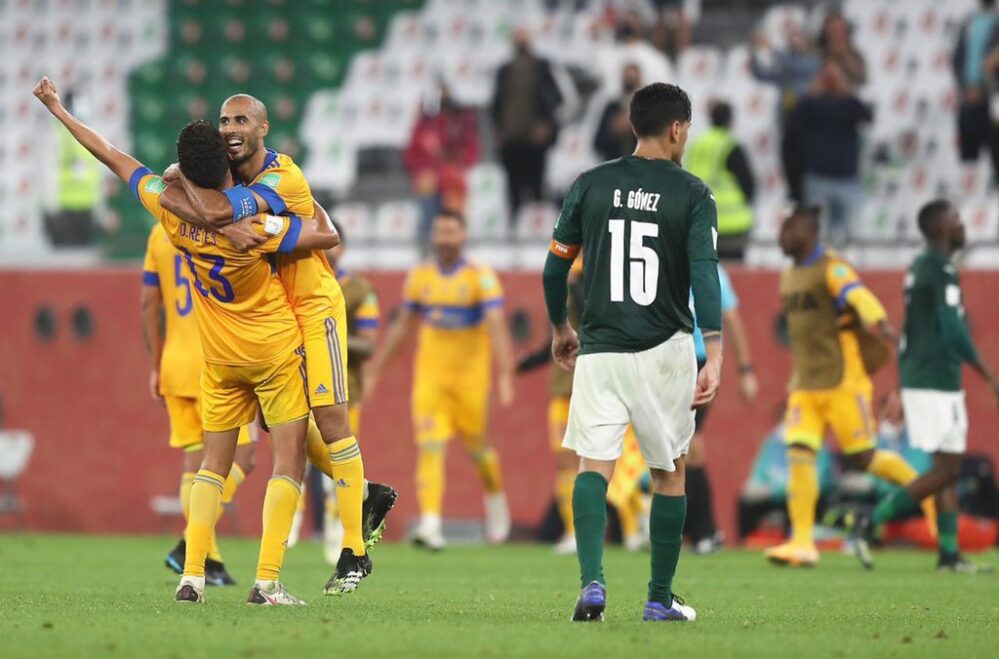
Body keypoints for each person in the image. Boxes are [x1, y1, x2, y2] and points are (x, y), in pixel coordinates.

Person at [34, 77, 339, 605]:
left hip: (216, 358)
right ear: (227, 159)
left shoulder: (166, 213)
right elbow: (323, 234)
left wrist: (58, 111)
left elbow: (111, 154)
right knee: (287, 462)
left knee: (209, 468)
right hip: (270, 351)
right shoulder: (251, 225)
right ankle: (267, 582)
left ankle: (192, 576)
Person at [158, 94, 397, 596]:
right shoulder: (232, 177)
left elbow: (326, 232)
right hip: (277, 318)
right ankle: (367, 492)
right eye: (223, 121)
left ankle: (353, 550)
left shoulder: (281, 176)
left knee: (329, 418)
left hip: (314, 308)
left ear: (264, 127)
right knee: (278, 424)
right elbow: (209, 204)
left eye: (240, 119)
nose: (230, 128)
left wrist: (181, 185)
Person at [544, 82, 722, 623]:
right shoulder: (693, 193)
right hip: (664, 348)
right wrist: (711, 349)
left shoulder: (591, 184)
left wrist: (559, 327)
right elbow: (704, 275)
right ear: (677, 128)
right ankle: (658, 598)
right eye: (686, 129)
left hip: (598, 350)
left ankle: (592, 584)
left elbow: (555, 267)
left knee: (592, 466)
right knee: (669, 473)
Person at [765, 206, 935, 568]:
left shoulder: (831, 267)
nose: (781, 236)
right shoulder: (788, 274)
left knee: (865, 459)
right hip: (805, 384)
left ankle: (928, 492)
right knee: (799, 455)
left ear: (808, 232)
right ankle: (802, 543)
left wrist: (880, 323)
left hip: (844, 382)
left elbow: (858, 295)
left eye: (789, 229)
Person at [851, 200, 999, 572]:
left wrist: (904, 384)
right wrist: (986, 371)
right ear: (940, 228)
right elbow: (953, 328)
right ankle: (872, 520)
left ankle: (949, 554)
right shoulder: (940, 268)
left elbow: (912, 333)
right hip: (935, 381)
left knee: (946, 464)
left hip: (929, 378)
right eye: (956, 220)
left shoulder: (921, 267)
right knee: (947, 470)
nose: (962, 226)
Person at [369, 210, 515, 550]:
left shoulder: (480, 277)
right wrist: (377, 367)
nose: (445, 239)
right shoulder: (420, 277)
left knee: (479, 450)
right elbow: (402, 326)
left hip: (470, 381)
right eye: (440, 232)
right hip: (431, 379)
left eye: (451, 232)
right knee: (430, 447)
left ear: (462, 237)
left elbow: (496, 325)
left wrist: (506, 372)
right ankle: (431, 524)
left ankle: (495, 500)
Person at [141, 221, 258, 587]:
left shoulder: (160, 232)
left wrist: (156, 364)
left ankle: (210, 559)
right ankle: (192, 543)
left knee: (195, 465)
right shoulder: (220, 224)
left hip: (174, 364)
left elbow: (148, 303)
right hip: (217, 360)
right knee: (244, 456)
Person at [318, 220, 393, 563]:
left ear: (342, 247)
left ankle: (340, 532)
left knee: (340, 460)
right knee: (297, 459)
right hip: (298, 383)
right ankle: (288, 532)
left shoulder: (360, 289)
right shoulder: (297, 278)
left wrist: (326, 335)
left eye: (332, 244)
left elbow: (367, 344)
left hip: (343, 388)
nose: (326, 251)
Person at [685, 263, 758, 553]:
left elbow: (732, 320)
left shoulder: (712, 270)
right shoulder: (667, 258)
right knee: (682, 446)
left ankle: (705, 530)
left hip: (702, 362)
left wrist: (746, 369)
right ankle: (700, 530)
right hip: (670, 361)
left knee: (691, 442)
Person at [795, 62, 873, 247]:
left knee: (851, 235)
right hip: (818, 178)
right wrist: (813, 91)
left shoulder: (849, 104)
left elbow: (867, 116)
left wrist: (845, 91)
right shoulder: (812, 104)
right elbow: (795, 120)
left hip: (846, 178)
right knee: (816, 235)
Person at [491, 28, 563, 219]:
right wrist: (498, 130)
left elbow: (557, 97)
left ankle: (537, 230)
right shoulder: (504, 70)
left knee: (537, 189)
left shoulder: (542, 67)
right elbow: (496, 103)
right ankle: (515, 232)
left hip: (535, 140)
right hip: (511, 138)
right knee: (513, 190)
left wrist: (546, 124)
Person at [750, 24, 822, 203]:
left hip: (809, 124)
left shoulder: (814, 61)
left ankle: (807, 194)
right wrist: (755, 52)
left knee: (806, 160)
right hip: (787, 121)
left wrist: (770, 48)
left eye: (798, 37)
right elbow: (762, 75)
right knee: (789, 159)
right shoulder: (786, 68)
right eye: (792, 38)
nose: (794, 41)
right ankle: (794, 192)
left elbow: (798, 67)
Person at [403, 84, 479, 249]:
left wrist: (456, 165)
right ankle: (426, 252)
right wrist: (425, 169)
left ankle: (457, 250)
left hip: (451, 179)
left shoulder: (459, 124)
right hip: (430, 181)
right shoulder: (423, 126)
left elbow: (469, 151)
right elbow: (411, 156)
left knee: (454, 216)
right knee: (428, 214)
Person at [684, 101, 755, 260]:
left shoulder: (697, 144)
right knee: (732, 276)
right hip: (731, 225)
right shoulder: (729, 145)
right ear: (730, 120)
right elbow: (748, 183)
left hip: (701, 222)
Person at [953, 0, 999, 182]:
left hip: (990, 95)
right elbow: (958, 58)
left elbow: (991, 63)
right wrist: (966, 87)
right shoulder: (968, 22)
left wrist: (985, 88)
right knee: (970, 155)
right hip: (970, 94)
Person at [593, 63, 642, 163]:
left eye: (633, 79)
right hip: (614, 166)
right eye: (627, 78)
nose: (630, 81)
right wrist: (613, 132)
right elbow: (597, 143)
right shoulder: (613, 107)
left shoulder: (647, 109)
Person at [817, 10, 866, 89]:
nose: (837, 33)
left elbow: (861, 77)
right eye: (833, 29)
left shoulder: (853, 53)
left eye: (840, 29)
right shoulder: (818, 51)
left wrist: (844, 56)